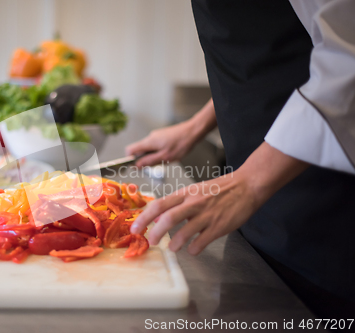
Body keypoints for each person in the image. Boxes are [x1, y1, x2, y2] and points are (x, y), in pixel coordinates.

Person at [127, 0, 355, 318]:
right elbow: (263, 60)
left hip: (325, 200)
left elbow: (347, 59)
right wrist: (196, 125)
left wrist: (250, 182)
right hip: (263, 193)